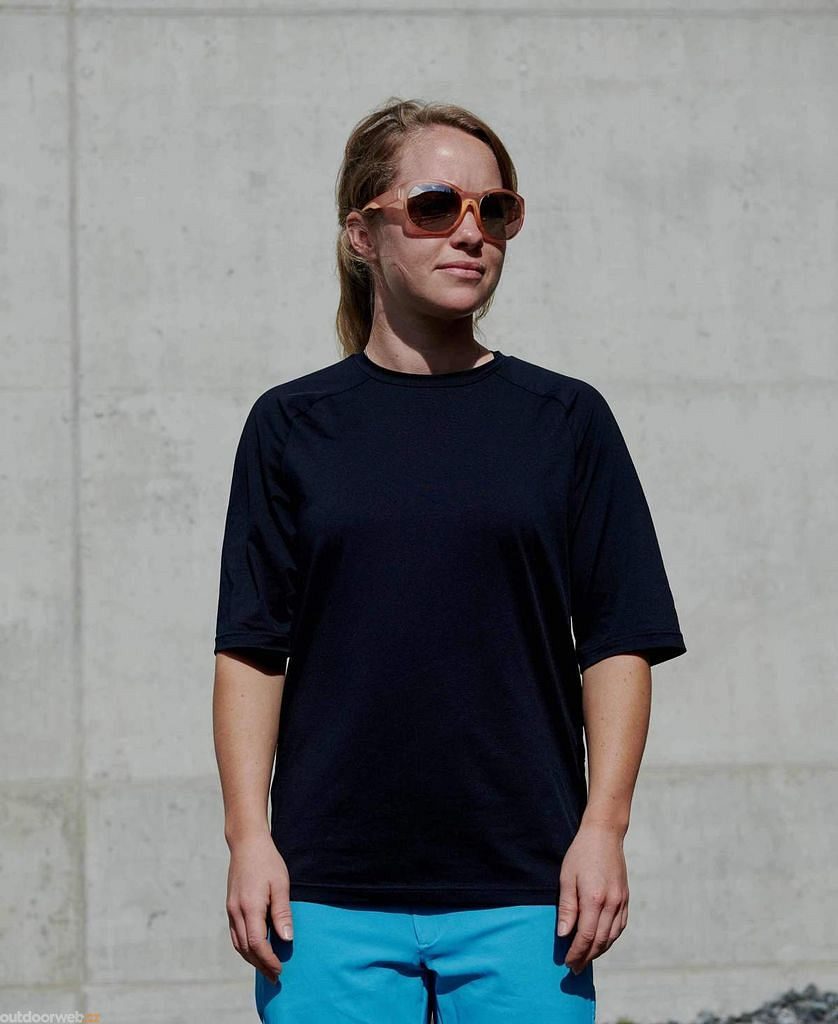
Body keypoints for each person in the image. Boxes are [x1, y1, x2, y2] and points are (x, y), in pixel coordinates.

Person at [212, 97, 686, 1024]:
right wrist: (246, 840)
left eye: (494, 209)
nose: (472, 232)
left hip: (530, 890)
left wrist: (604, 828)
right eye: (436, 206)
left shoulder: (566, 421)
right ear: (363, 233)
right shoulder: (291, 426)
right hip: (324, 893)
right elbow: (252, 650)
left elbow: (618, 639)